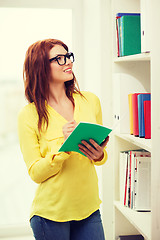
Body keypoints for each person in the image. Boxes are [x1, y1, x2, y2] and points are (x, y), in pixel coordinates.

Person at [18, 38, 110, 240]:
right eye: (59, 59)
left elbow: (100, 157)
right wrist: (63, 148)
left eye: (68, 56)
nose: (68, 62)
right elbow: (35, 173)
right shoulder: (29, 114)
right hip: (50, 216)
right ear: (40, 66)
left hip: (89, 208)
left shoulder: (90, 101)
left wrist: (100, 154)